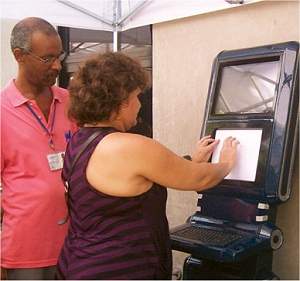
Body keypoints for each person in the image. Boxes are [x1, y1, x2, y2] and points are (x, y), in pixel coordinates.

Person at [56, 52, 239, 280]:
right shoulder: (130, 146)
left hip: (78, 264)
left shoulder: (80, 141)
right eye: (137, 96)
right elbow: (198, 179)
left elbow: (140, 175)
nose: (140, 104)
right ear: (122, 102)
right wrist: (227, 163)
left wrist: (192, 160)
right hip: (120, 270)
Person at [1, 17, 76, 280]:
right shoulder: (2, 111)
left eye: (60, 57)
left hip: (76, 244)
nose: (57, 66)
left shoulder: (70, 103)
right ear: (19, 55)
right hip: (26, 251)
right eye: (47, 58)